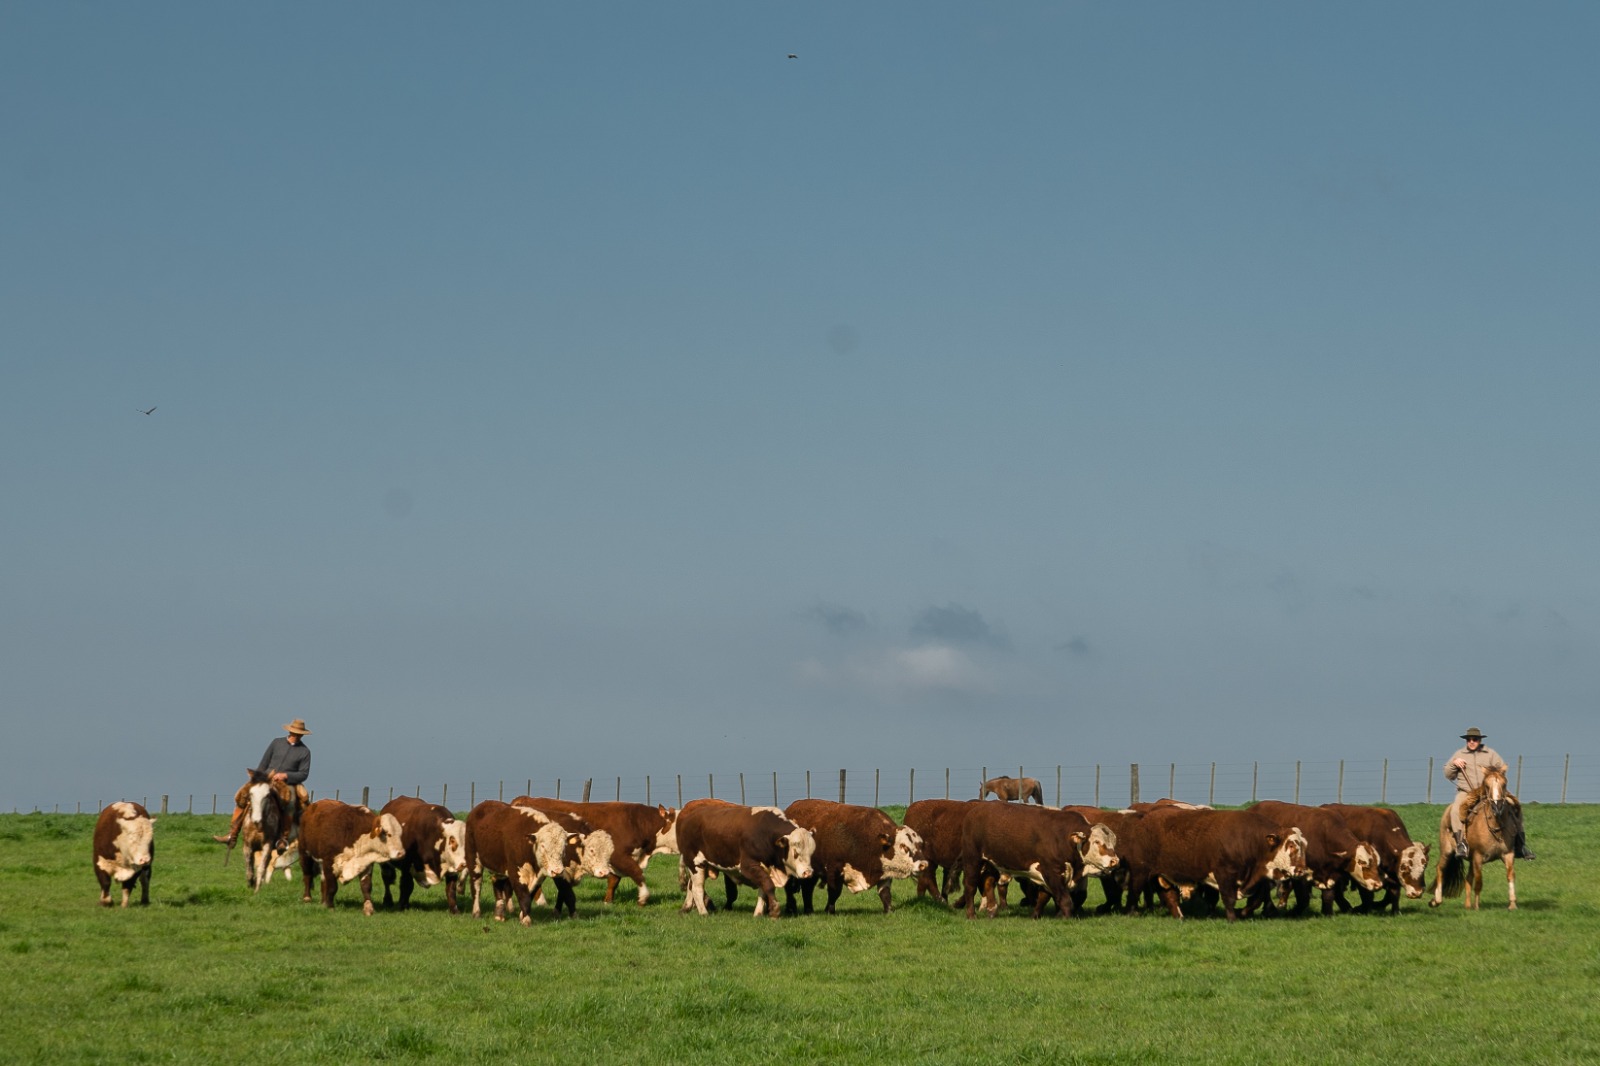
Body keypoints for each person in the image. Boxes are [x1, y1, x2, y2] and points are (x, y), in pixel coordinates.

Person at [213, 719, 312, 847]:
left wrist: (285, 775)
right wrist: (258, 778)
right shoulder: (276, 743)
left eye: (299, 733)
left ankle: (283, 838)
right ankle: (232, 834)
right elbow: (264, 763)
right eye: (294, 732)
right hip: (266, 778)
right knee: (243, 796)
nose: (296, 735)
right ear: (289, 731)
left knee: (290, 803)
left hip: (287, 783)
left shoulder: (304, 752)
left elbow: (303, 774)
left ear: (302, 734)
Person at [1443, 726, 1534, 860]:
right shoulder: (1459, 754)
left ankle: (1520, 845)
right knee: (1456, 809)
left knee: (1514, 806)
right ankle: (1461, 843)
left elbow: (1501, 770)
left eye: (1475, 739)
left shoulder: (1490, 754)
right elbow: (1448, 775)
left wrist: (1496, 778)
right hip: (1467, 792)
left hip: (1490, 792)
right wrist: (1453, 764)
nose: (1471, 741)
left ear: (1480, 740)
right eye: (1469, 739)